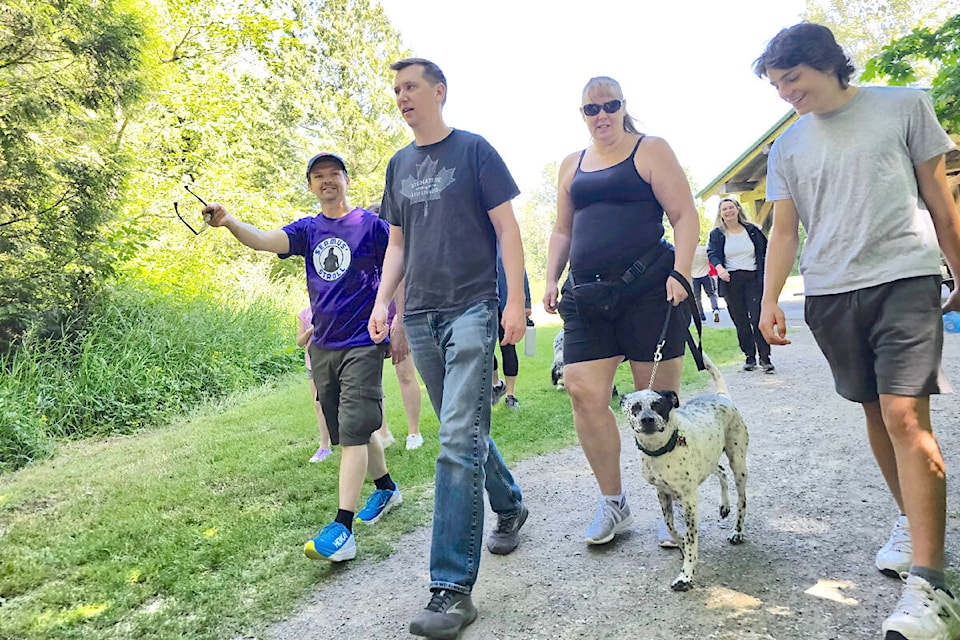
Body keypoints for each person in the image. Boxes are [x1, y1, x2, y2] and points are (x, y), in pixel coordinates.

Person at [755, 22, 960, 640]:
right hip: (831, 293)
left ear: (826, 63)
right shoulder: (786, 147)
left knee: (905, 415)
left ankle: (932, 586)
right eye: (776, 84)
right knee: (874, 411)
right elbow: (785, 231)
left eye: (792, 78)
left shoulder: (903, 104)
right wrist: (769, 301)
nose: (786, 92)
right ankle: (909, 518)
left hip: (904, 277)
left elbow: (938, 193)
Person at [368, 57, 528, 639]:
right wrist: (384, 301)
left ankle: (451, 589)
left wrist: (514, 303)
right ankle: (509, 505)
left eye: (411, 87)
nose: (402, 97)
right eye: (396, 90)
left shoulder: (475, 150)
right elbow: (397, 244)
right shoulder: (398, 165)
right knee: (466, 431)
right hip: (421, 312)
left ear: (439, 91)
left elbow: (508, 229)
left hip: (473, 306)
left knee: (456, 438)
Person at [203, 152, 405, 563]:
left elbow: (399, 265)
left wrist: (397, 323)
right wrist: (229, 223)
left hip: (363, 341)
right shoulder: (308, 229)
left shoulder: (371, 225)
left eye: (334, 174)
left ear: (347, 180)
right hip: (323, 345)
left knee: (351, 431)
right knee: (354, 427)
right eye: (319, 176)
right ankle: (386, 489)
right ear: (311, 186)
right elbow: (264, 240)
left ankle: (342, 530)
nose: (328, 181)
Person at [543, 76, 699, 547]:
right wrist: (550, 278)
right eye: (592, 109)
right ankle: (614, 503)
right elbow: (562, 230)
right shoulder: (571, 165)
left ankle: (671, 506)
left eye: (610, 105)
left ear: (623, 106)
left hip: (650, 291)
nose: (602, 114)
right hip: (587, 296)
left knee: (657, 397)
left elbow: (685, 216)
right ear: (582, 114)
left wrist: (683, 272)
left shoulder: (650, 150)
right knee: (582, 390)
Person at [368, 202, 425, 450]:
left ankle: (414, 432)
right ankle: (382, 431)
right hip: (371, 322)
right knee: (371, 380)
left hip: (397, 320)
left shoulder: (397, 254)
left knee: (405, 374)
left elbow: (403, 286)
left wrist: (399, 320)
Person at [707, 198, 774, 373]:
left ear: (737, 209)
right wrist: (720, 269)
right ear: (720, 214)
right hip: (731, 280)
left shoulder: (752, 230)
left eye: (731, 208)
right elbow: (712, 253)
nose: (728, 211)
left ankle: (765, 357)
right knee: (741, 320)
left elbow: (766, 250)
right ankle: (749, 357)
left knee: (757, 317)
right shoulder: (717, 234)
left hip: (753, 278)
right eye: (724, 209)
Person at [491, 250, 532, 409]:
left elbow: (521, 272)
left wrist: (526, 302)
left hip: (506, 307)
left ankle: (510, 395)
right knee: (485, 351)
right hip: (484, 306)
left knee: (508, 348)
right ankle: (497, 384)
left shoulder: (506, 246)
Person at [297, 307, 332, 462]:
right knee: (319, 404)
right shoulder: (304, 314)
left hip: (331, 361)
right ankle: (324, 447)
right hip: (312, 364)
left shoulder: (329, 306)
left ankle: (353, 441)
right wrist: (310, 331)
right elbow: (299, 342)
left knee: (342, 401)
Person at [691, 244, 721, 323]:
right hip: (705, 274)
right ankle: (715, 309)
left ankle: (701, 314)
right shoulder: (704, 249)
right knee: (711, 294)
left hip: (694, 276)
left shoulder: (689, 251)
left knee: (697, 297)